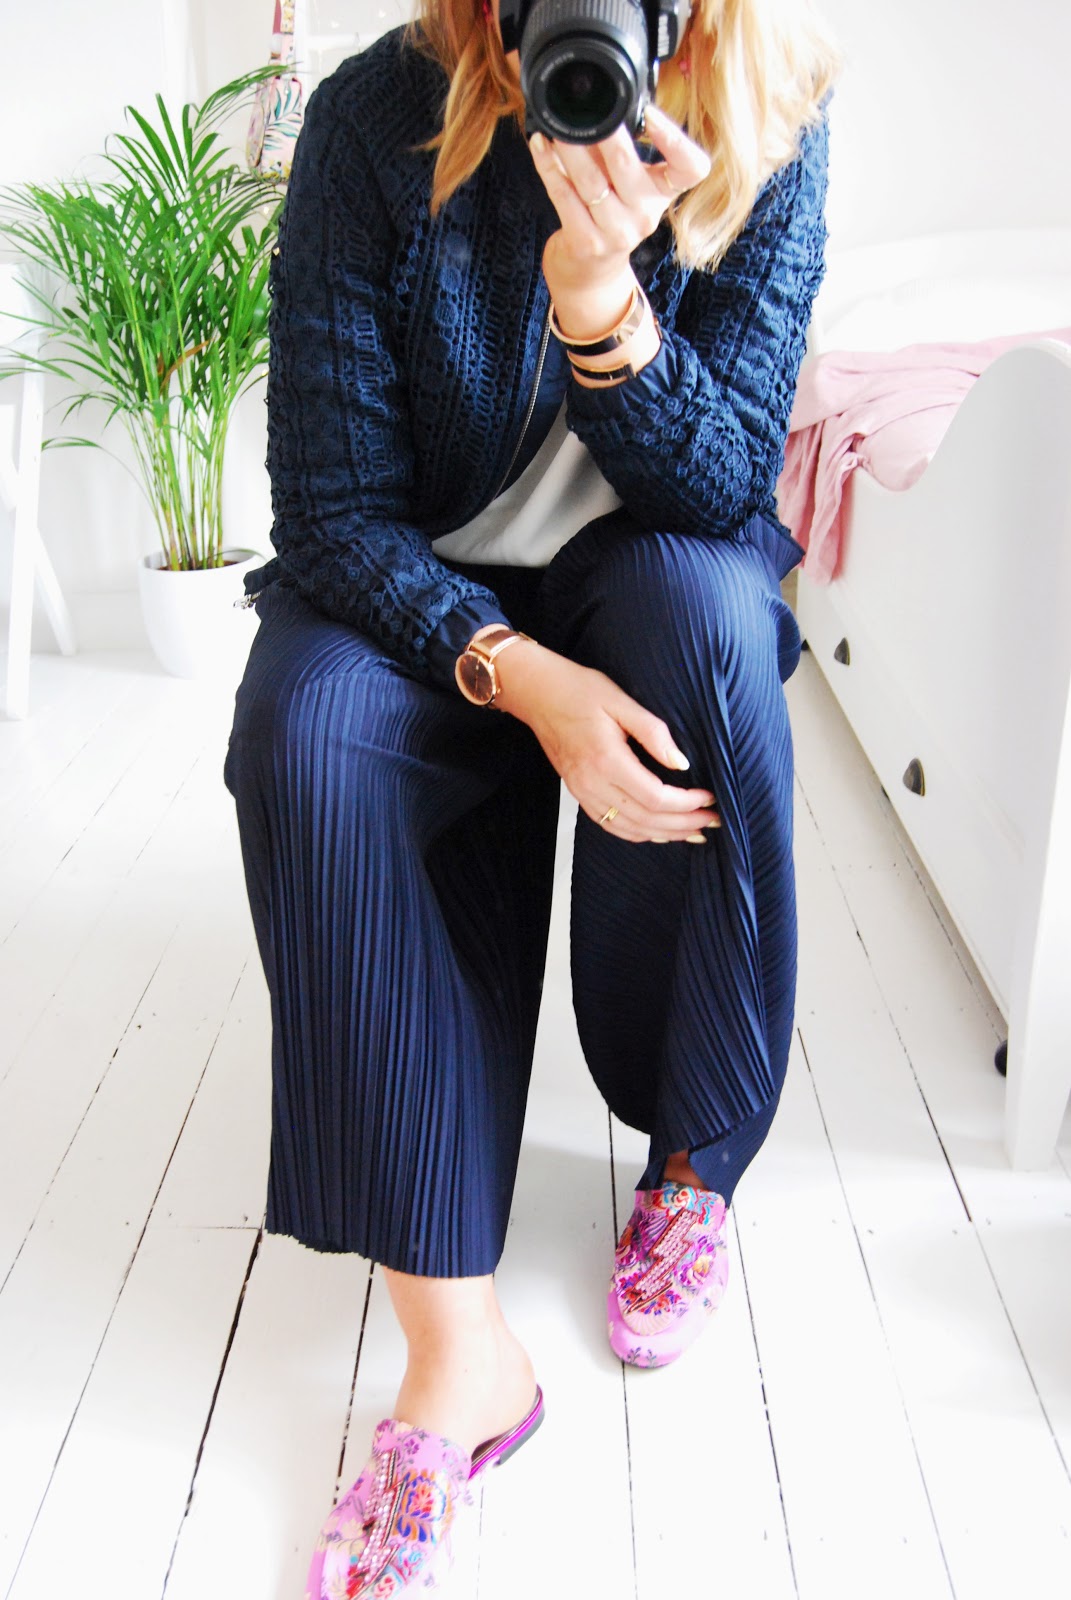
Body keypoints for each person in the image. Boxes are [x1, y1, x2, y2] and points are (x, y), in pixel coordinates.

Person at [223, 0, 839, 1592]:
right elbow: (331, 516)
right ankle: (459, 1356)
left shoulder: (767, 116)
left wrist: (599, 298)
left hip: (645, 569)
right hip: (430, 581)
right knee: (303, 732)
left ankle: (694, 1158)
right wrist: (523, 679)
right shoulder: (381, 119)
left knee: (712, 628)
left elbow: (725, 485)